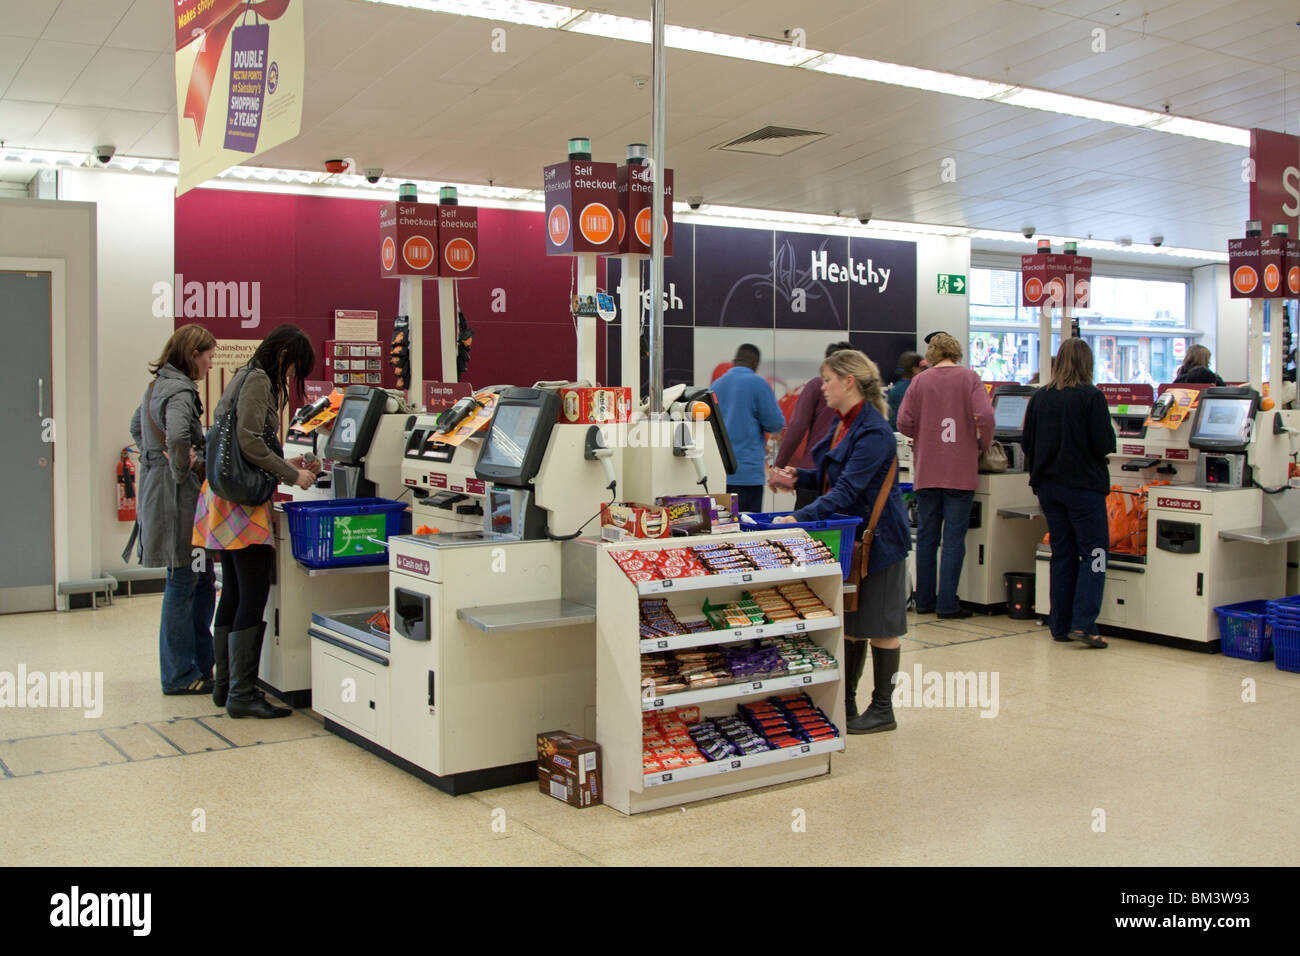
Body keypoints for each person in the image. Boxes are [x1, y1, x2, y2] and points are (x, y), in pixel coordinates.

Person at [769, 350, 910, 733]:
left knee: (882, 628)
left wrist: (798, 517)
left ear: (849, 381)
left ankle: (883, 709)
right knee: (851, 624)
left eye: (828, 379)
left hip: (879, 542)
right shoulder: (846, 424)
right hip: (854, 540)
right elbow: (834, 478)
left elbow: (849, 490)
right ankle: (845, 703)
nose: (822, 387)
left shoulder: (873, 431)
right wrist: (799, 479)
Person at [193, 325, 320, 718]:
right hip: (242, 503)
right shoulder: (259, 380)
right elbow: (249, 441)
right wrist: (292, 475)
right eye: (293, 366)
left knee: (231, 589)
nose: (290, 376)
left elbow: (247, 443)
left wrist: (287, 463)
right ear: (284, 355)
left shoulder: (243, 376)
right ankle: (243, 695)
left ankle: (225, 686)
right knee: (252, 592)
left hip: (224, 496)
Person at [129, 324, 218, 695]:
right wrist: (183, 469)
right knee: (186, 579)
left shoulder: (157, 386)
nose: (211, 364)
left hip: (158, 493)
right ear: (192, 355)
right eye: (208, 356)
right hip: (177, 500)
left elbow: (136, 427)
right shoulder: (181, 390)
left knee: (196, 579)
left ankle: (198, 664)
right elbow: (180, 435)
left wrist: (154, 458)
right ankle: (181, 674)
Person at [1022, 338, 1116, 647]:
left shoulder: (1040, 398)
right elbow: (1104, 444)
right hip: (1084, 489)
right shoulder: (1092, 397)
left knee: (1062, 554)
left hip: (1049, 488)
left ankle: (1059, 625)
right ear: (1088, 363)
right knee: (1096, 553)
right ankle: (1085, 624)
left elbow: (1027, 444)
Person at [897, 333, 995, 619]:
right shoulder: (970, 378)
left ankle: (925, 600)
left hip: (927, 469)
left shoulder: (920, 381)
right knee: (953, 539)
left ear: (932, 354)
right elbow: (986, 416)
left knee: (927, 536)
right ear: (957, 352)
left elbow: (903, 422)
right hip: (960, 470)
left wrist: (923, 434)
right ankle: (947, 604)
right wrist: (981, 444)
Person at [773, 341, 852, 510]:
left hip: (814, 471)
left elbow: (797, 427)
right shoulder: (859, 395)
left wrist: (779, 466)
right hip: (844, 477)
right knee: (842, 532)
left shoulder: (816, 385)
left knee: (805, 532)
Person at [711, 343, 786, 514]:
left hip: (720, 474)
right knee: (747, 527)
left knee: (721, 528)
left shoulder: (716, 385)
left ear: (734, 361)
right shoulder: (758, 384)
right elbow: (775, 423)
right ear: (755, 364)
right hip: (747, 475)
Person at [886, 350, 923, 430]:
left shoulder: (896, 387)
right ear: (914, 369)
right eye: (920, 369)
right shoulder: (914, 389)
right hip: (906, 433)